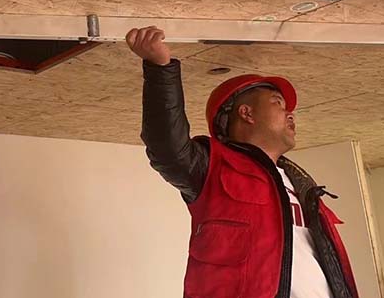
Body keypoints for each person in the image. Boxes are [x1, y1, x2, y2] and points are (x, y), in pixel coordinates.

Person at [126, 26, 359, 298]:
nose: (290, 114)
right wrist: (159, 69)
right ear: (246, 113)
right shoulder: (211, 166)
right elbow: (168, 149)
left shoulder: (302, 186)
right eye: (278, 103)